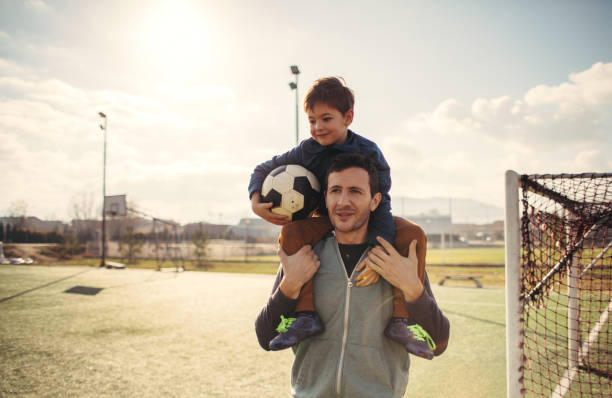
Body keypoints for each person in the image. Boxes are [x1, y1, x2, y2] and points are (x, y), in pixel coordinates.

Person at [249, 77, 431, 357]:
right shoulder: (306, 150)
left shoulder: (369, 153)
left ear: (348, 117)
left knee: (414, 234)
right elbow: (263, 169)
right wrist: (255, 201)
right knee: (292, 232)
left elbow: (382, 205)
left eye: (326, 118)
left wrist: (375, 250)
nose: (317, 127)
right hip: (326, 220)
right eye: (311, 120)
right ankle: (305, 315)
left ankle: (401, 320)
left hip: (368, 219)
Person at [255, 153, 450, 397]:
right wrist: (290, 284)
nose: (343, 201)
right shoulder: (303, 255)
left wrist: (412, 287)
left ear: (375, 201)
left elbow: (439, 342)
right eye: (335, 190)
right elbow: (265, 336)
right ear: (325, 198)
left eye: (355, 192)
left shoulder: (396, 260)